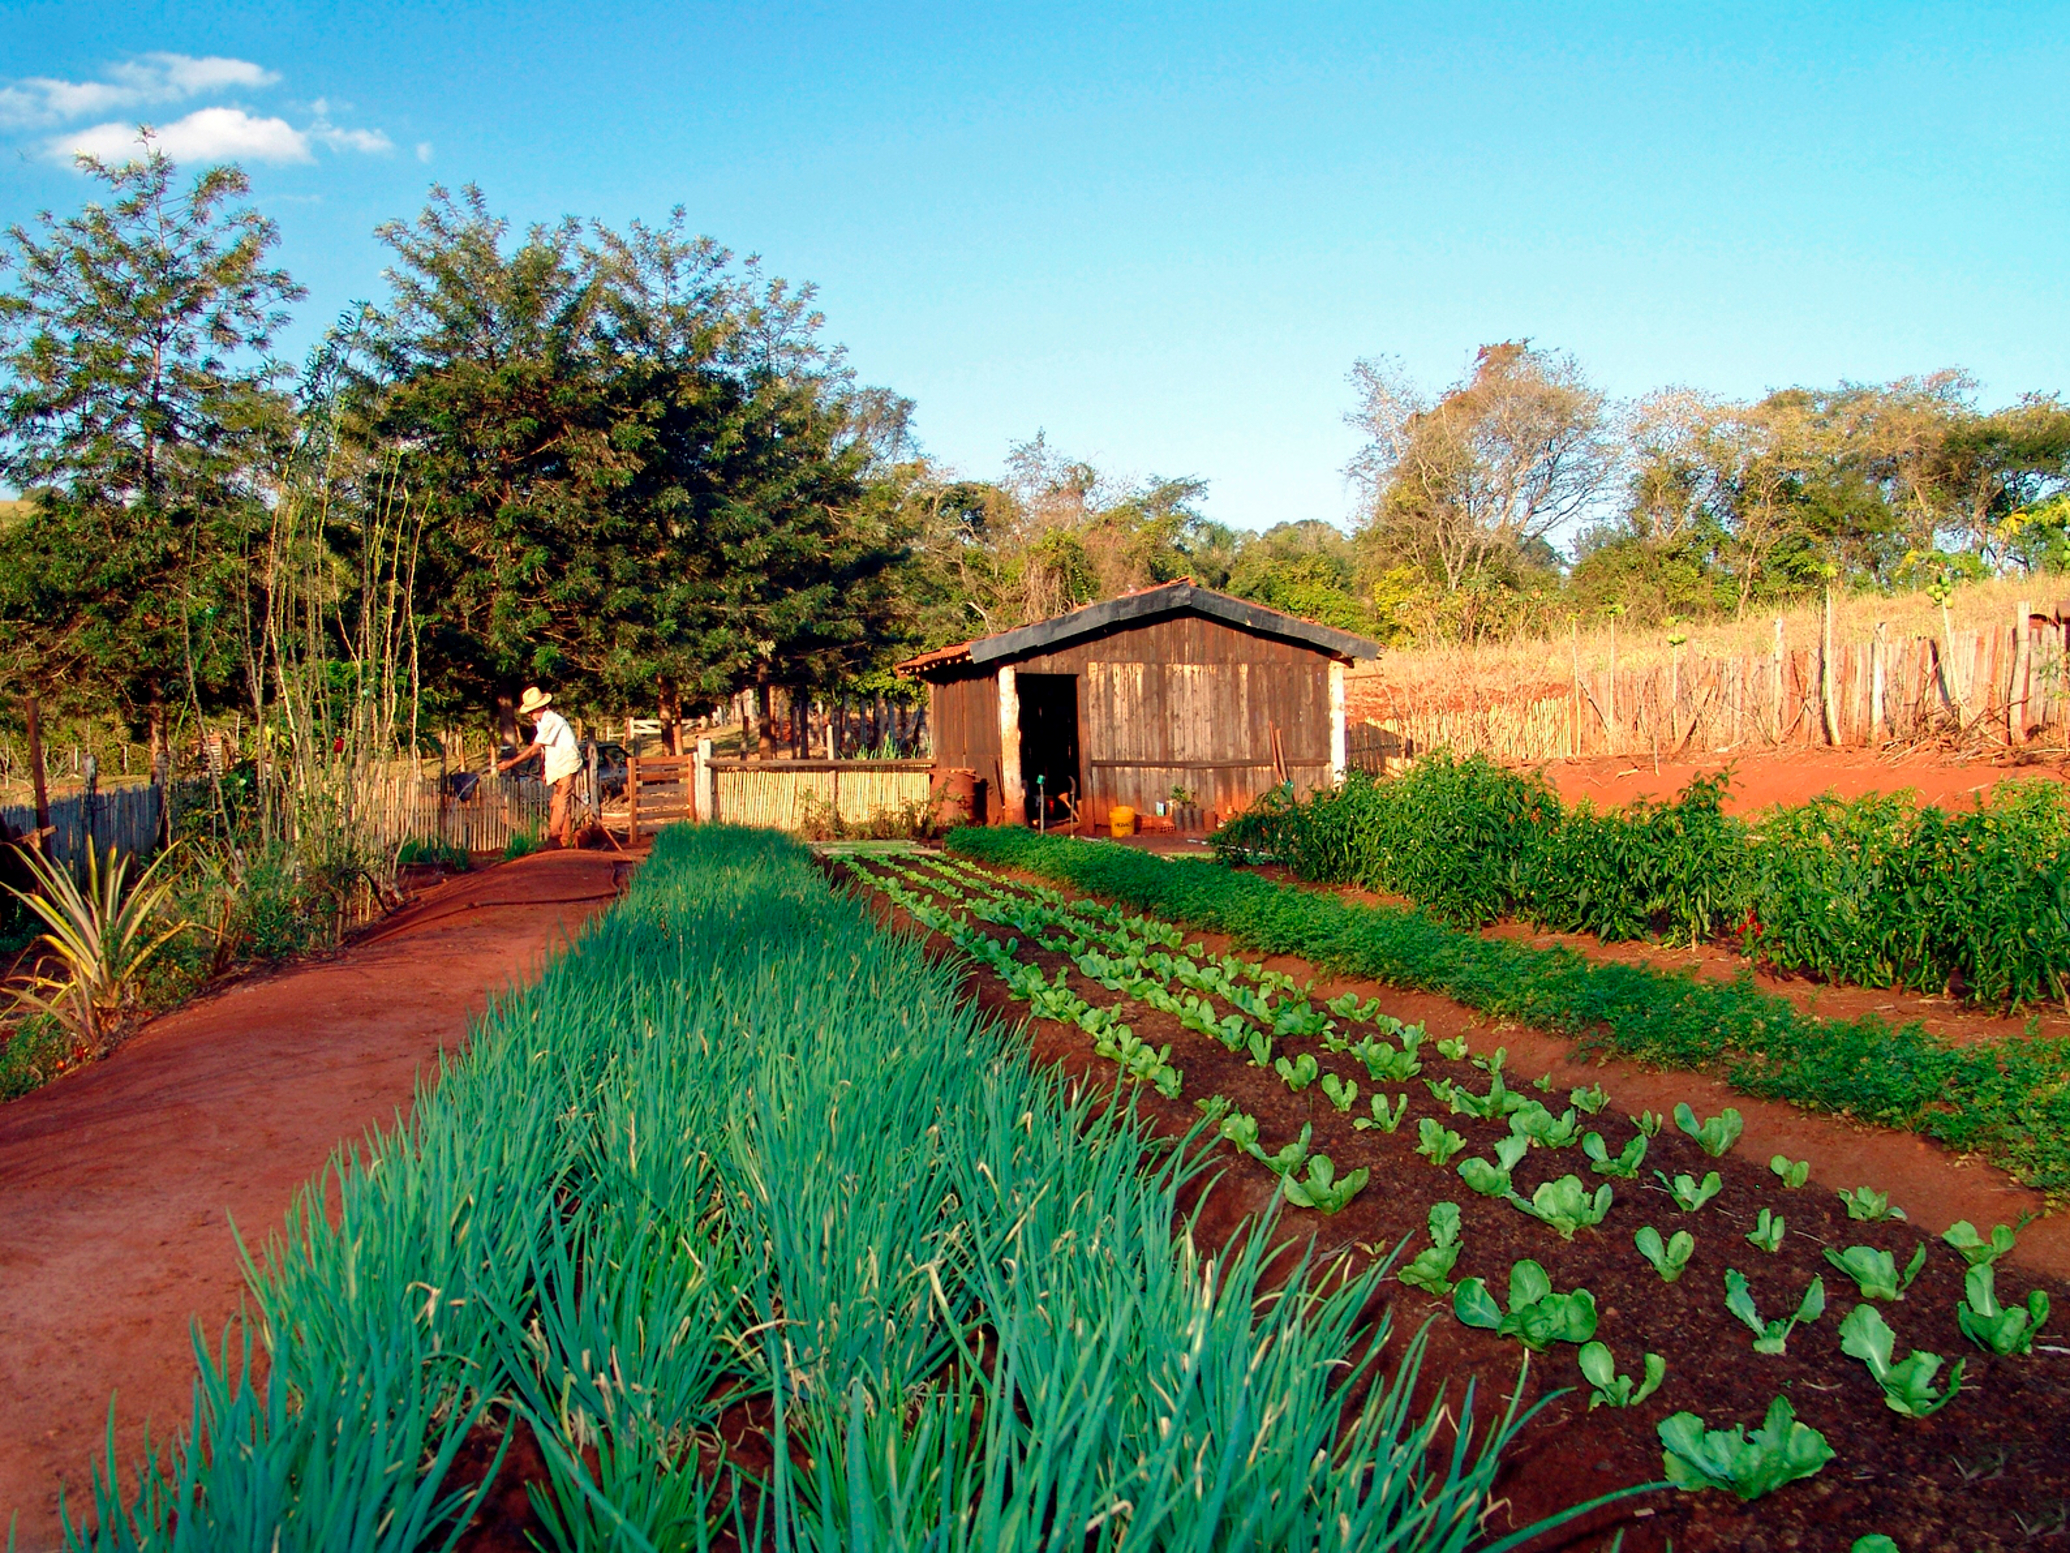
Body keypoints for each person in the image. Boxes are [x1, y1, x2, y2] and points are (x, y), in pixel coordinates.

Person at [498, 686, 583, 846]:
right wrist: (544, 770)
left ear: (540, 708)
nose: (530, 715)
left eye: (531, 711)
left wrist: (511, 763)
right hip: (557, 764)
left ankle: (554, 838)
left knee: (560, 803)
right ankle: (565, 840)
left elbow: (534, 749)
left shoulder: (552, 721)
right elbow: (544, 749)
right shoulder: (542, 723)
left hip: (567, 764)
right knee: (557, 802)